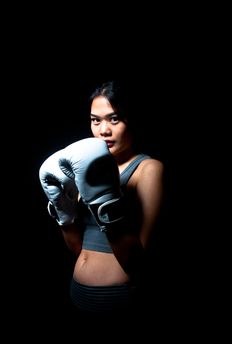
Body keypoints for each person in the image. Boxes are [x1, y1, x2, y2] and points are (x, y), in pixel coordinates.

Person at [39, 80, 164, 327]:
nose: (103, 130)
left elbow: (141, 264)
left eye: (114, 119)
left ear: (132, 120)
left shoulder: (147, 169)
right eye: (96, 120)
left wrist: (103, 199)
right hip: (77, 294)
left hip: (119, 300)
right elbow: (76, 248)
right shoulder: (85, 168)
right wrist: (63, 210)